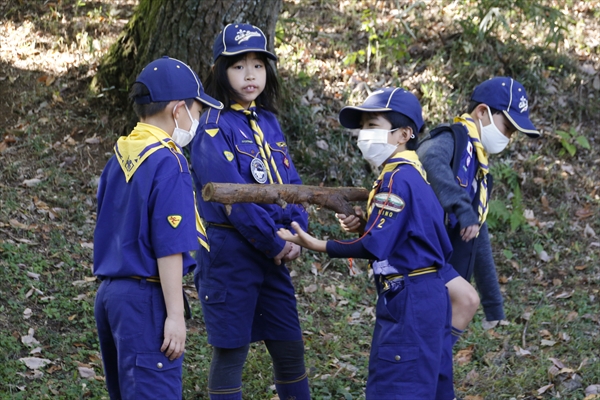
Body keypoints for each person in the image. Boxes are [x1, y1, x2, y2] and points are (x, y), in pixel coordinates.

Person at [278, 87, 457, 399]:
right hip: (427, 295)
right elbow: (403, 237)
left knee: (397, 387)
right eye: (363, 127)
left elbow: (373, 246)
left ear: (404, 133)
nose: (364, 135)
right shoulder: (412, 175)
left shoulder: (397, 179)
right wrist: (364, 225)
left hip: (410, 300)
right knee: (427, 385)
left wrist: (318, 244)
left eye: (373, 126)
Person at [188, 23, 310, 400]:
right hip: (231, 255)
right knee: (231, 352)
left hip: (274, 253)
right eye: (239, 66)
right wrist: (276, 242)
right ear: (220, 72)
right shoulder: (211, 128)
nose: (250, 74)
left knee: (289, 346)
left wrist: (296, 232)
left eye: (257, 65)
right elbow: (234, 203)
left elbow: (292, 182)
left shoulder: (269, 122)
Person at [93, 56, 223, 399]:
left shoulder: (120, 157)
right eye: (195, 110)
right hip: (144, 300)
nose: (196, 119)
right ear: (178, 110)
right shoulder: (169, 162)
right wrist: (176, 316)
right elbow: (169, 246)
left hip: (110, 296)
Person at [416, 76, 540, 335]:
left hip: (444, 271)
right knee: (422, 350)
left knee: (435, 351)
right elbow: (429, 157)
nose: (508, 137)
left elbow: (478, 236)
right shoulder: (453, 140)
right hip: (418, 266)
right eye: (507, 128)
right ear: (482, 112)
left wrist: (494, 306)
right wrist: (462, 207)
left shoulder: (479, 171)